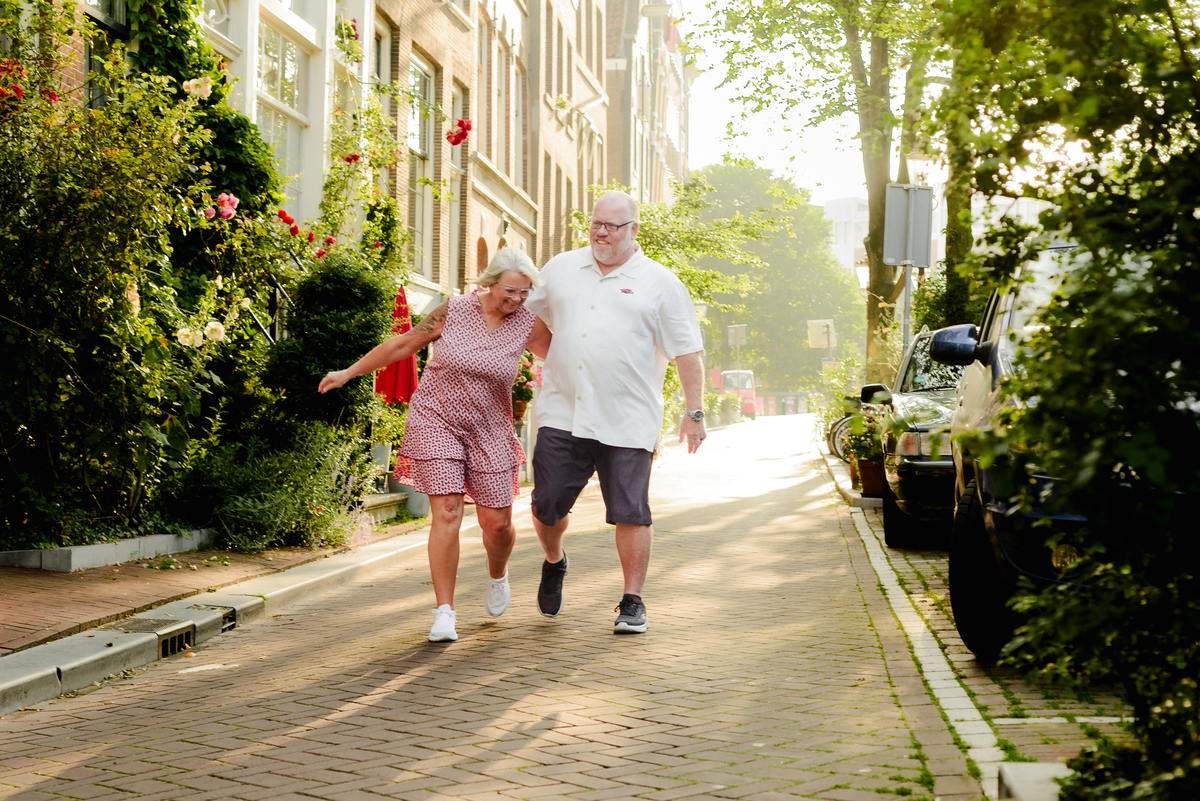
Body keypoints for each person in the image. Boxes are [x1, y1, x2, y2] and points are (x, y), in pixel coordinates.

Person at [318, 248, 551, 643]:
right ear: (490, 282)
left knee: (497, 526)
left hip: (489, 427)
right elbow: (403, 345)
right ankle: (445, 611)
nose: (516, 299)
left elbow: (565, 359)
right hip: (436, 419)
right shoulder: (455, 310)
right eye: (510, 290)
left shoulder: (529, 324)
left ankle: (498, 575)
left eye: (525, 293)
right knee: (446, 511)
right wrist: (349, 372)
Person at [524, 190, 707, 635]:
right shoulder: (561, 268)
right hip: (563, 412)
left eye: (612, 226)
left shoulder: (661, 282)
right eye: (596, 224)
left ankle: (633, 600)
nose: (601, 233)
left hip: (628, 418)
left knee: (630, 510)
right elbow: (532, 323)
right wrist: (561, 360)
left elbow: (687, 352)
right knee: (547, 505)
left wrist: (695, 412)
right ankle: (554, 559)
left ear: (633, 230)